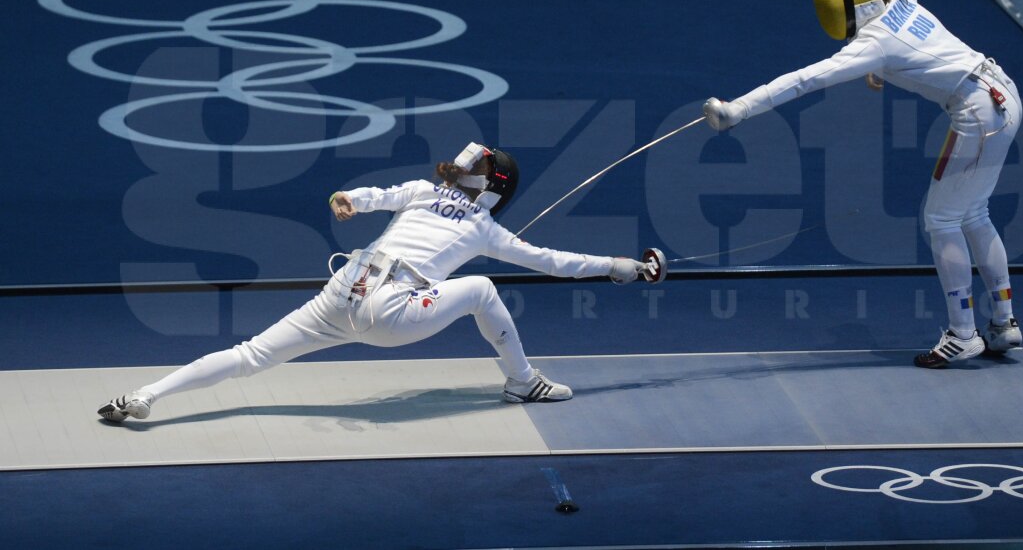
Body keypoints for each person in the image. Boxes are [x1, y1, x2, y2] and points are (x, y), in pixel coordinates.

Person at [99, 143, 647, 422]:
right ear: (498, 190)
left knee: (249, 355)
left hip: (344, 293)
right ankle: (521, 381)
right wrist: (623, 266)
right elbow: (554, 262)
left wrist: (345, 201)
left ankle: (144, 395)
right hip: (394, 312)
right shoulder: (485, 227)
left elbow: (366, 198)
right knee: (480, 290)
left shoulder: (422, 191)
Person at [703, 0, 1022, 369]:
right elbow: (897, 7)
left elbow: (805, 80)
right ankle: (1003, 322)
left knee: (941, 219)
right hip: (1004, 92)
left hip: (978, 115)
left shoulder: (873, 43)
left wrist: (738, 110)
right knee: (974, 212)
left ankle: (963, 334)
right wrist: (880, 69)